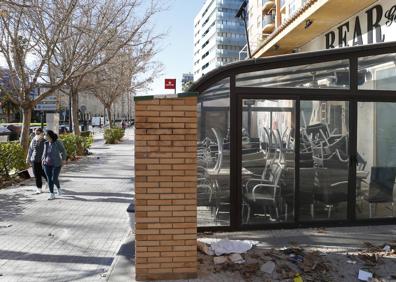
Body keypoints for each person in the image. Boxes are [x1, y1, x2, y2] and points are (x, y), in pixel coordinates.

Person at [42, 130, 67, 200]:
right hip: (47, 164)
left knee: (54, 179)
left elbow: (63, 151)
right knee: (49, 179)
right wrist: (43, 159)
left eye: (45, 135)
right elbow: (44, 153)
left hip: (56, 163)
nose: (44, 136)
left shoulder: (57, 142)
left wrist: (64, 159)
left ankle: (58, 188)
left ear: (50, 136)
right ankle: (52, 194)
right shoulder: (46, 143)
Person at [26, 128, 47, 194]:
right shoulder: (34, 140)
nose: (36, 134)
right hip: (34, 160)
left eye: (38, 133)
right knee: (36, 175)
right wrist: (28, 158)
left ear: (42, 133)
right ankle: (39, 189)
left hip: (42, 161)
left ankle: (49, 179)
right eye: (35, 133)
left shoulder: (45, 141)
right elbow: (30, 150)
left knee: (42, 173)